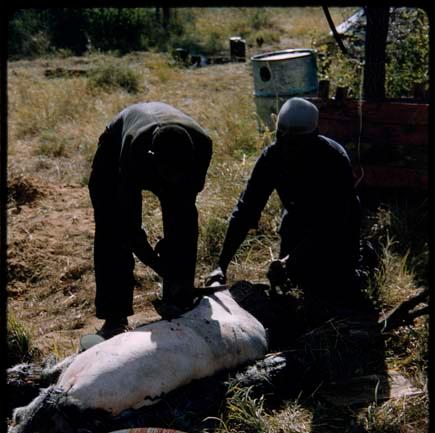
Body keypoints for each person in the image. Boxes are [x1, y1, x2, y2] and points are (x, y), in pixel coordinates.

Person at [206, 97, 364, 314]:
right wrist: (221, 265)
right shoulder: (272, 157)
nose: (290, 150)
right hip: (297, 221)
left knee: (333, 291)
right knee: (289, 285)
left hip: (338, 228)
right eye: (284, 140)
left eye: (297, 144)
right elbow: (246, 210)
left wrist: (291, 259)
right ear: (278, 134)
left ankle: (359, 265)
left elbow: (334, 222)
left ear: (313, 136)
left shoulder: (333, 160)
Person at [88, 101, 212, 337]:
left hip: (167, 152)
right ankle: (115, 317)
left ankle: (178, 300)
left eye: (180, 173)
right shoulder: (134, 151)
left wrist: (179, 277)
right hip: (116, 143)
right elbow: (129, 226)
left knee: (182, 223)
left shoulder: (202, 147)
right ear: (153, 159)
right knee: (112, 229)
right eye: (169, 173)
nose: (174, 179)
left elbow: (184, 211)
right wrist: (160, 266)